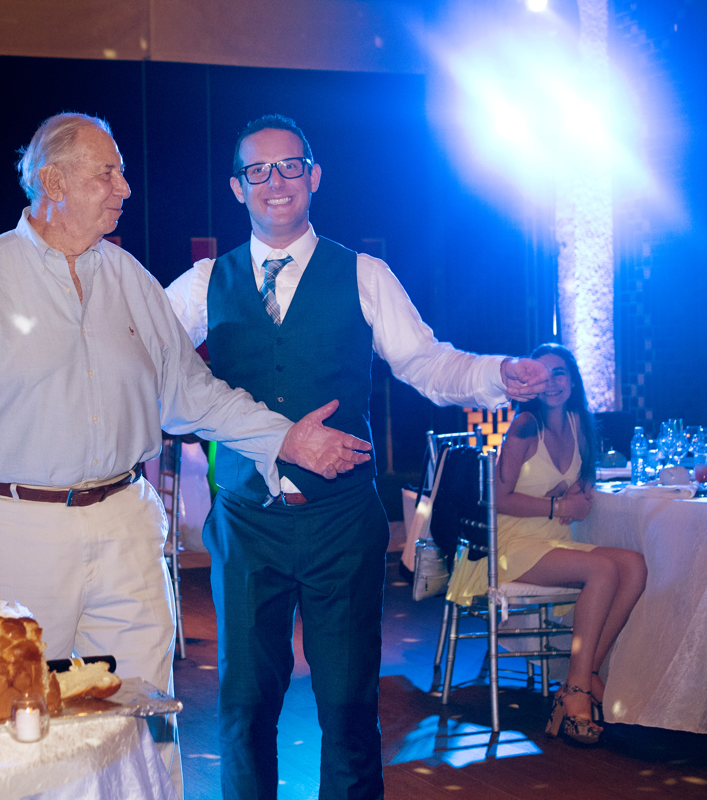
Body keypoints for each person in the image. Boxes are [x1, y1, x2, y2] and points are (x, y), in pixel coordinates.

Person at [0, 112, 372, 795]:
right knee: (18, 713)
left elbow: (195, 396)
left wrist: (289, 438)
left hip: (123, 521)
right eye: (106, 172)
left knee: (143, 711)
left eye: (120, 171)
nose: (126, 188)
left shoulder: (132, 280)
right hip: (12, 528)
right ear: (52, 182)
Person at [163, 114, 551, 800]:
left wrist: (498, 374)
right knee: (244, 707)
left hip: (341, 521)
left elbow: (427, 364)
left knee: (346, 708)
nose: (275, 182)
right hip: (247, 520)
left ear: (314, 176)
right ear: (236, 186)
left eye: (290, 166)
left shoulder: (364, 273)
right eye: (258, 170)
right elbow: (151, 372)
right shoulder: (200, 284)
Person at [447, 344, 647, 745]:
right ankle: (576, 692)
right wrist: (559, 504)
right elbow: (497, 499)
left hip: (550, 540)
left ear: (572, 381)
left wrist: (579, 497)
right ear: (531, 383)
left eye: (560, 374)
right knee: (603, 569)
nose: (553, 383)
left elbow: (583, 493)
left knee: (635, 565)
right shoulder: (524, 425)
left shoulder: (580, 424)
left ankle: (583, 673)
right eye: (544, 375)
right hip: (507, 544)